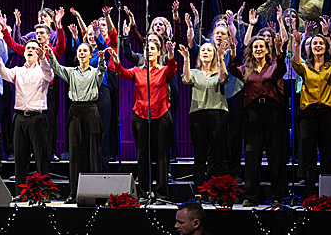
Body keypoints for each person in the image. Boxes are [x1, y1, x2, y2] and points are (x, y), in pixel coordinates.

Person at [109, 32, 177, 203]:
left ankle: (161, 193)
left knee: (161, 155)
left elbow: (172, 69)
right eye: (147, 49)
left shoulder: (162, 71)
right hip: (140, 116)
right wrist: (117, 61)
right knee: (143, 155)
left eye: (153, 49)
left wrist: (170, 55)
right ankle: (145, 192)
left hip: (161, 115)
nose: (150, 52)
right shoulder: (138, 71)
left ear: (158, 53)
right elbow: (122, 72)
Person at [230, 12, 288, 207]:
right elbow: (231, 69)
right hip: (252, 112)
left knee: (275, 152)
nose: (258, 49)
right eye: (255, 47)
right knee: (252, 153)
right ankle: (251, 196)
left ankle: (278, 195)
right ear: (251, 50)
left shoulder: (273, 65)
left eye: (261, 46)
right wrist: (232, 52)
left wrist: (280, 53)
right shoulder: (245, 69)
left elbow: (282, 69)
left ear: (266, 49)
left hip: (272, 111)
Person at [0, 29, 55, 196]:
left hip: (38, 117)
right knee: (20, 158)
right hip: (20, 117)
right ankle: (21, 193)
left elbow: (49, 75)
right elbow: (5, 75)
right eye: (28, 48)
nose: (29, 51)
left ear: (38, 53)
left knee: (41, 158)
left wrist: (43, 60)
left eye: (33, 49)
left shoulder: (43, 70)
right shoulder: (18, 70)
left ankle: (44, 193)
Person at [48, 40, 107, 203]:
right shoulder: (71, 72)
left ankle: (96, 193)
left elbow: (102, 70)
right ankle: (74, 192)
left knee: (93, 152)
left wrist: (102, 60)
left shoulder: (95, 71)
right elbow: (57, 69)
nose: (81, 53)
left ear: (89, 55)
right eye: (79, 51)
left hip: (91, 110)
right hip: (75, 111)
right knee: (74, 152)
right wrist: (51, 56)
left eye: (84, 51)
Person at [291, 19, 331, 190]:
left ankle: (328, 190)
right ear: (310, 47)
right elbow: (295, 64)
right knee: (308, 153)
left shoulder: (329, 67)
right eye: (315, 43)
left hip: (327, 112)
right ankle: (309, 191)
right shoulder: (306, 67)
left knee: (327, 152)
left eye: (321, 43)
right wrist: (298, 45)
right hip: (309, 112)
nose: (318, 45)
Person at [179, 40, 229, 191]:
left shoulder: (219, 69)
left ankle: (222, 191)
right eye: (203, 51)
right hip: (198, 116)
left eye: (209, 50)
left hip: (218, 114)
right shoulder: (195, 72)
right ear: (199, 55)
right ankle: (200, 191)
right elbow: (186, 79)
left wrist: (221, 59)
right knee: (200, 156)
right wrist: (186, 59)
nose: (205, 52)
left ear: (213, 54)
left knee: (218, 155)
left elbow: (223, 78)